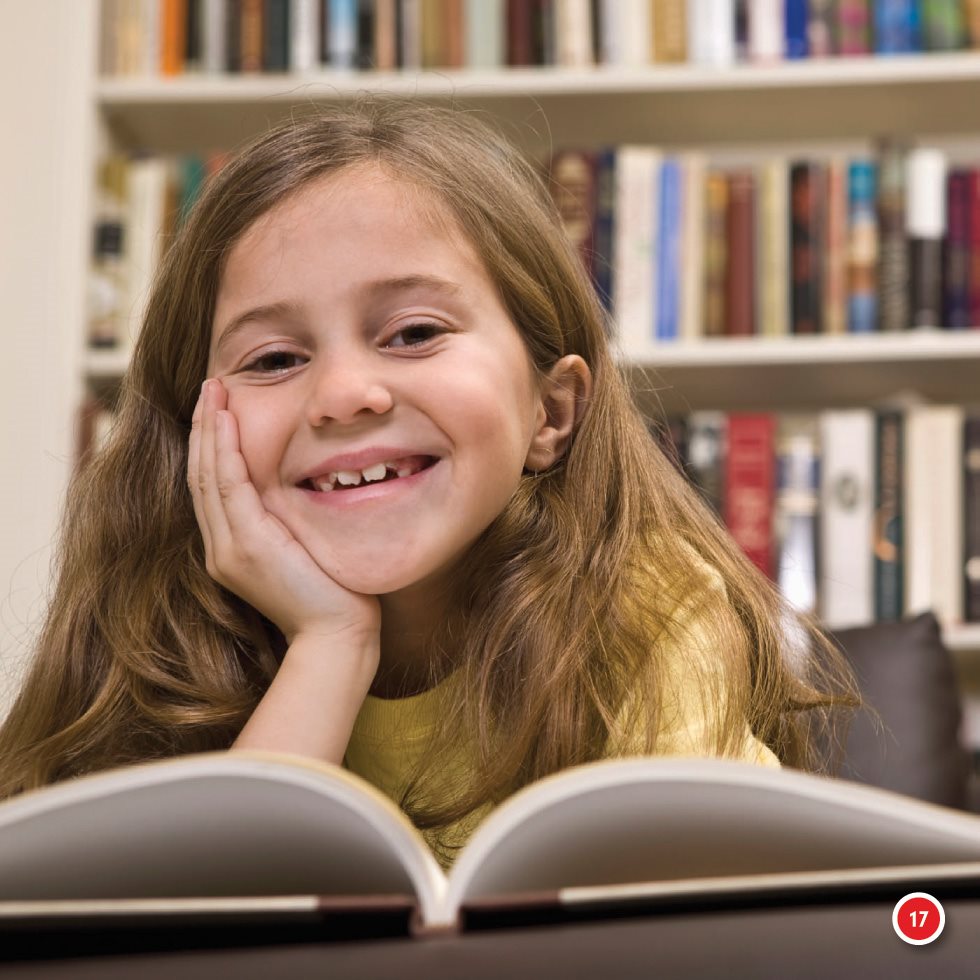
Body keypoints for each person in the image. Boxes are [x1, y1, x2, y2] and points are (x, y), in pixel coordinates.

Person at [0, 96, 853, 865]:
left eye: (412, 334)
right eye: (274, 358)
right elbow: (193, 943)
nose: (341, 396)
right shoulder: (157, 636)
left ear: (550, 414)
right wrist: (330, 645)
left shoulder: (648, 616)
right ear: (196, 432)